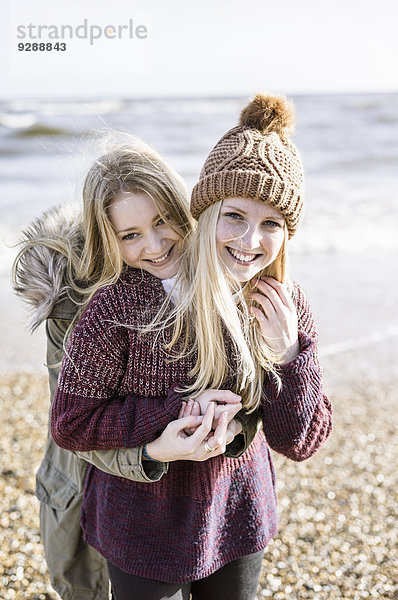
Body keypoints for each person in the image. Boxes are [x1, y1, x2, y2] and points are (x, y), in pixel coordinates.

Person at [49, 93, 332, 600]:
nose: (250, 240)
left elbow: (300, 441)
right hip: (140, 525)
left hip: (236, 515)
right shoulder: (118, 307)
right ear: (205, 211)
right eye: (235, 217)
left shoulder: (278, 306)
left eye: (272, 224)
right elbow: (71, 423)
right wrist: (174, 417)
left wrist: (291, 355)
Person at [12, 137, 258, 600]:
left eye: (164, 221)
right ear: (109, 238)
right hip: (116, 490)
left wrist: (232, 424)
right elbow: (74, 423)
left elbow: (256, 387)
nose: (155, 245)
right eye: (130, 235)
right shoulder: (80, 308)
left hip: (221, 497)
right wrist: (154, 449)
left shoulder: (225, 272)